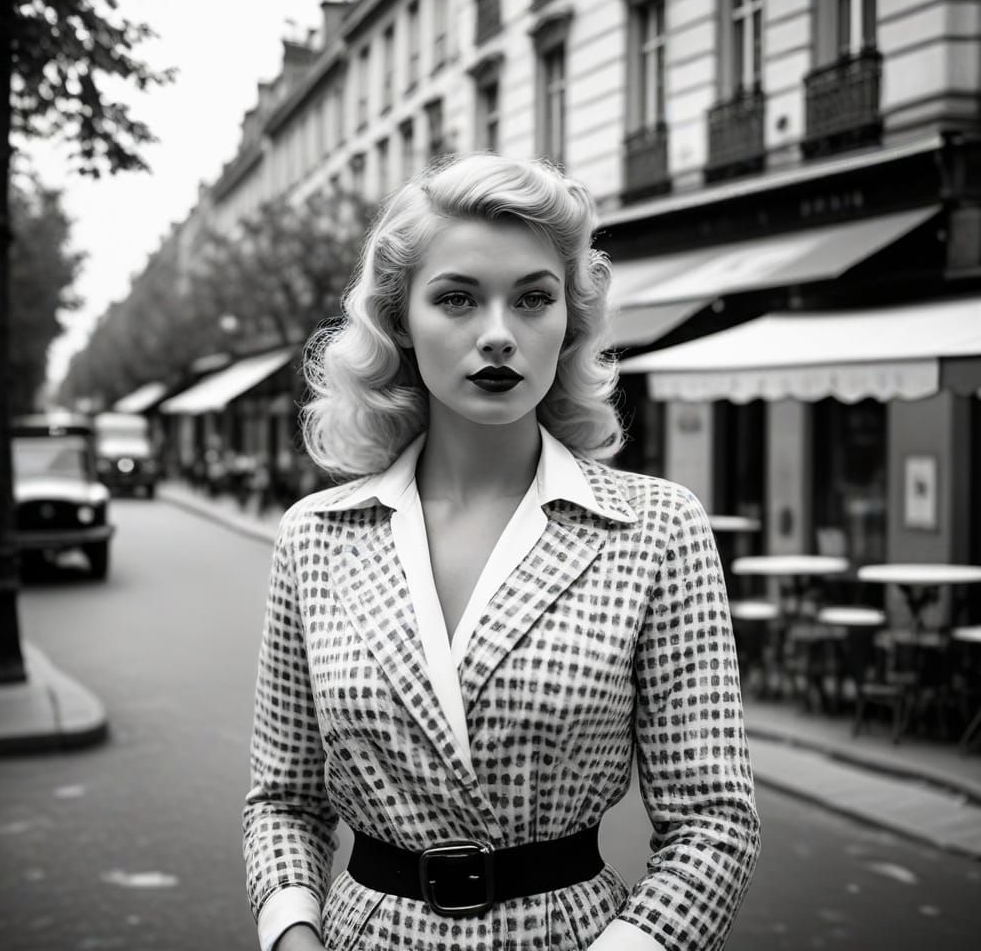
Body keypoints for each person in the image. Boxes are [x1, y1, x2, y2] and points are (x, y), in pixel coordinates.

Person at [243, 153, 760, 951]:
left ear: (569, 321)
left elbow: (713, 821)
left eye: (532, 299)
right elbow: (283, 799)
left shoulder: (656, 528)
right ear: (400, 322)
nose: (497, 335)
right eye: (456, 298)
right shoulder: (317, 536)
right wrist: (293, 936)